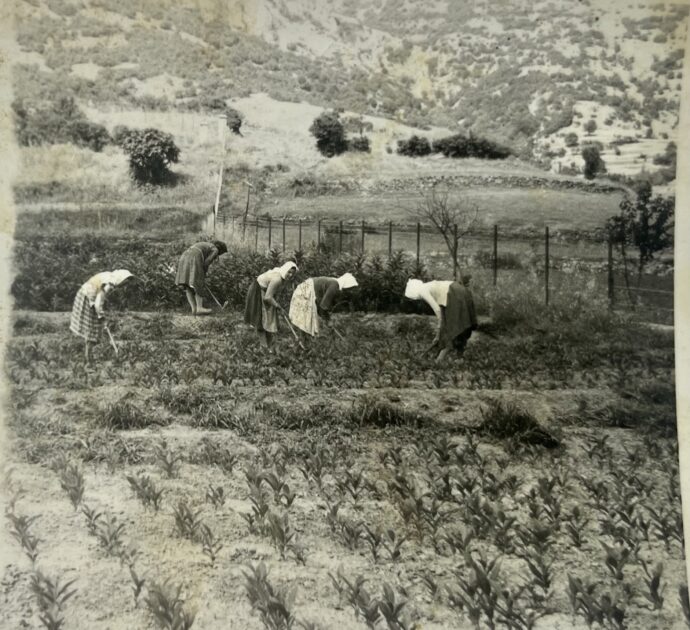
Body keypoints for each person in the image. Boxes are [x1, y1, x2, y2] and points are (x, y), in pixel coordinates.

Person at [404, 275, 477, 362]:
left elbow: (437, 309)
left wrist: (440, 328)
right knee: (460, 325)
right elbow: (442, 305)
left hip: (453, 293)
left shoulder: (423, 291)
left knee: (450, 329)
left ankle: (439, 360)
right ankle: (460, 357)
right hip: (459, 290)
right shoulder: (429, 286)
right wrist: (438, 335)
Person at [70, 269, 134, 364]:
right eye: (124, 283)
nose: (123, 286)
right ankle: (89, 360)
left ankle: (88, 357)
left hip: (87, 296)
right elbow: (98, 302)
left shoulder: (110, 277)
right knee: (92, 330)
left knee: (94, 329)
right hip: (87, 298)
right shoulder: (108, 283)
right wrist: (101, 316)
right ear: (120, 279)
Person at [244, 261, 298, 349]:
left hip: (266, 293)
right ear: (285, 269)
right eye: (289, 272)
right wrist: (277, 306)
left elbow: (272, 293)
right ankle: (264, 347)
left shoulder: (283, 277)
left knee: (269, 319)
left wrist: (276, 304)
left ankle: (269, 345)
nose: (291, 275)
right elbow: (268, 297)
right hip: (257, 291)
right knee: (261, 320)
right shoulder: (277, 279)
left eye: (293, 273)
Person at [288, 273, 358, 338]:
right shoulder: (334, 286)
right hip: (304, 292)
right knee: (306, 320)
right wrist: (328, 320)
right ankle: (303, 341)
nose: (349, 290)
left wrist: (326, 317)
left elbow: (321, 303)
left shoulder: (333, 282)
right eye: (349, 288)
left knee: (308, 320)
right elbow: (323, 306)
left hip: (305, 290)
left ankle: (306, 339)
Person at [175, 240, 228, 315]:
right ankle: (199, 308)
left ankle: (194, 309)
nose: (219, 255)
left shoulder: (207, 245)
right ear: (220, 249)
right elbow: (207, 262)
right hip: (195, 256)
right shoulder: (215, 249)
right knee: (199, 283)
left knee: (188, 285)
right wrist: (202, 275)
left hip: (185, 256)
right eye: (221, 253)